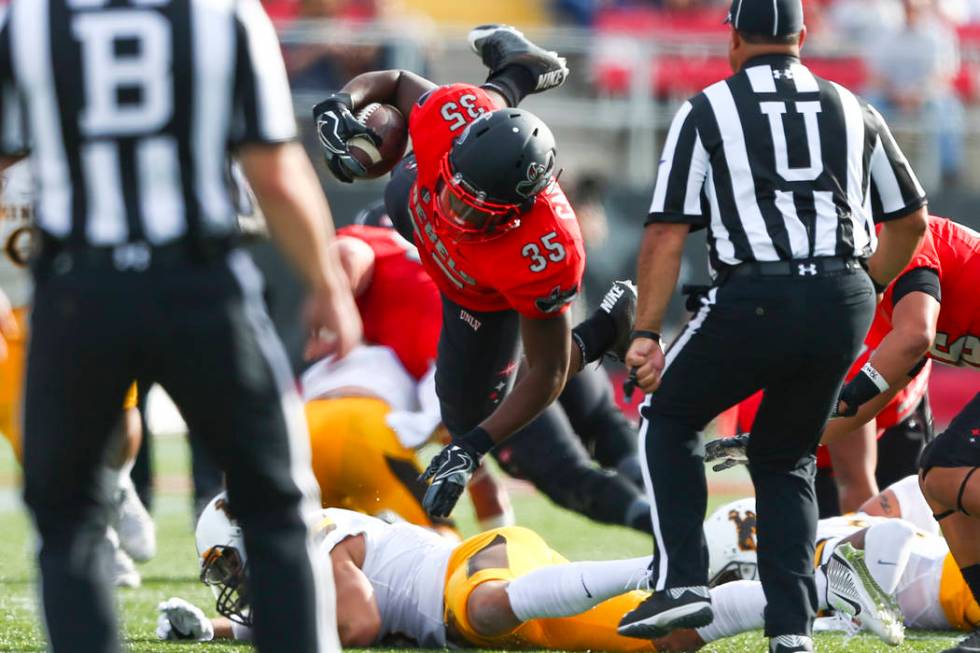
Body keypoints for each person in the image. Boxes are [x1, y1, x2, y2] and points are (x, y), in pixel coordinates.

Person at [0, 1, 362, 651]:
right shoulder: (224, 14)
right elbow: (273, 170)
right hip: (202, 285)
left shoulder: (29, 19)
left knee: (70, 522)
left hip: (78, 291)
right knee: (274, 510)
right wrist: (325, 282)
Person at [617, 0, 929, 650]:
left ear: (733, 37)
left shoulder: (708, 109)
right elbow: (910, 223)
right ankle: (791, 632)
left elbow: (666, 229)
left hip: (758, 290)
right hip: (842, 297)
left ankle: (682, 581)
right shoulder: (853, 106)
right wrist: (864, 286)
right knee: (785, 458)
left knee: (667, 418)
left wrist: (646, 331)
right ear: (802, 37)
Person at [313, 24, 637, 521]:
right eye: (455, 196)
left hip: (481, 298)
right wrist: (339, 104)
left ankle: (599, 334)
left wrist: (471, 448)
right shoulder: (454, 123)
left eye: (474, 212)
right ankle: (518, 71)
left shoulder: (545, 249)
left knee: (467, 418)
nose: (453, 215)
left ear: (518, 208)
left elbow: (548, 370)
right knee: (405, 182)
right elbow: (398, 81)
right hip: (425, 201)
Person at [314, 220, 652, 533]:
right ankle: (667, 497)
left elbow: (347, 255)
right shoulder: (431, 239)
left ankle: (665, 527)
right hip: (535, 324)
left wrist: (332, 313)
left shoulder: (362, 247)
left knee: (566, 474)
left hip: (489, 364)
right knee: (602, 423)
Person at [156, 492, 658, 650]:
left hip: (477, 569)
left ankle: (655, 565)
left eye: (229, 564)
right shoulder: (305, 551)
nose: (232, 581)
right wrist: (210, 629)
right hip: (478, 597)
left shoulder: (318, 541)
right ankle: (710, 577)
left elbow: (359, 624)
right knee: (665, 634)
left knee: (483, 609)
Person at [0, 159, 155, 586]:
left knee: (117, 406)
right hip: (10, 310)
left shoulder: (61, 140)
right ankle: (98, 535)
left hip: (73, 293)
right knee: (31, 434)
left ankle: (119, 486)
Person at [655, 498, 980, 651]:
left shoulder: (824, 550)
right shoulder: (820, 539)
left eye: (725, 580)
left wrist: (860, 609)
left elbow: (896, 533)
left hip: (960, 587)